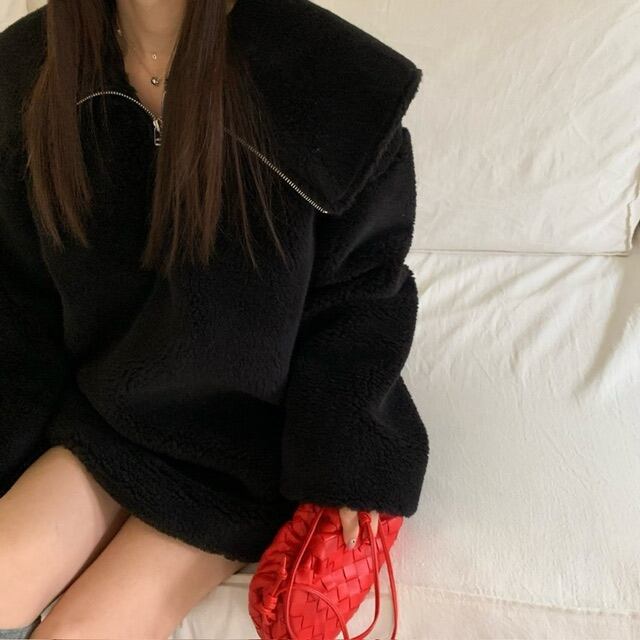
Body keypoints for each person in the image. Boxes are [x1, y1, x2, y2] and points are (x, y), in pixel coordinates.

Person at [0, 0, 429, 637]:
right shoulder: (28, 72)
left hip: (253, 446)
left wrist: (344, 462)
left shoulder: (330, 79)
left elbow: (363, 292)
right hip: (107, 418)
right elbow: (17, 297)